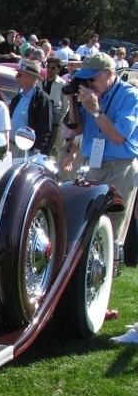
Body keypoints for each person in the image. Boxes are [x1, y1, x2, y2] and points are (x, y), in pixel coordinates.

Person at [62, 51, 138, 265]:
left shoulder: (129, 95)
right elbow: (73, 131)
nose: (90, 82)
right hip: (94, 165)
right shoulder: (89, 96)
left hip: (119, 167)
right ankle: (88, 270)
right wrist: (73, 103)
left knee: (112, 226)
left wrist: (95, 111)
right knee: (89, 222)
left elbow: (118, 137)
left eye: (93, 77)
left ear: (109, 73)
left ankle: (107, 272)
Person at [8, 59, 55, 156]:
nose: (16, 78)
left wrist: (36, 150)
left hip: (27, 150)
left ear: (31, 77)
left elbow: (45, 128)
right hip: (11, 146)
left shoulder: (42, 99)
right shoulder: (17, 98)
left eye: (19, 75)